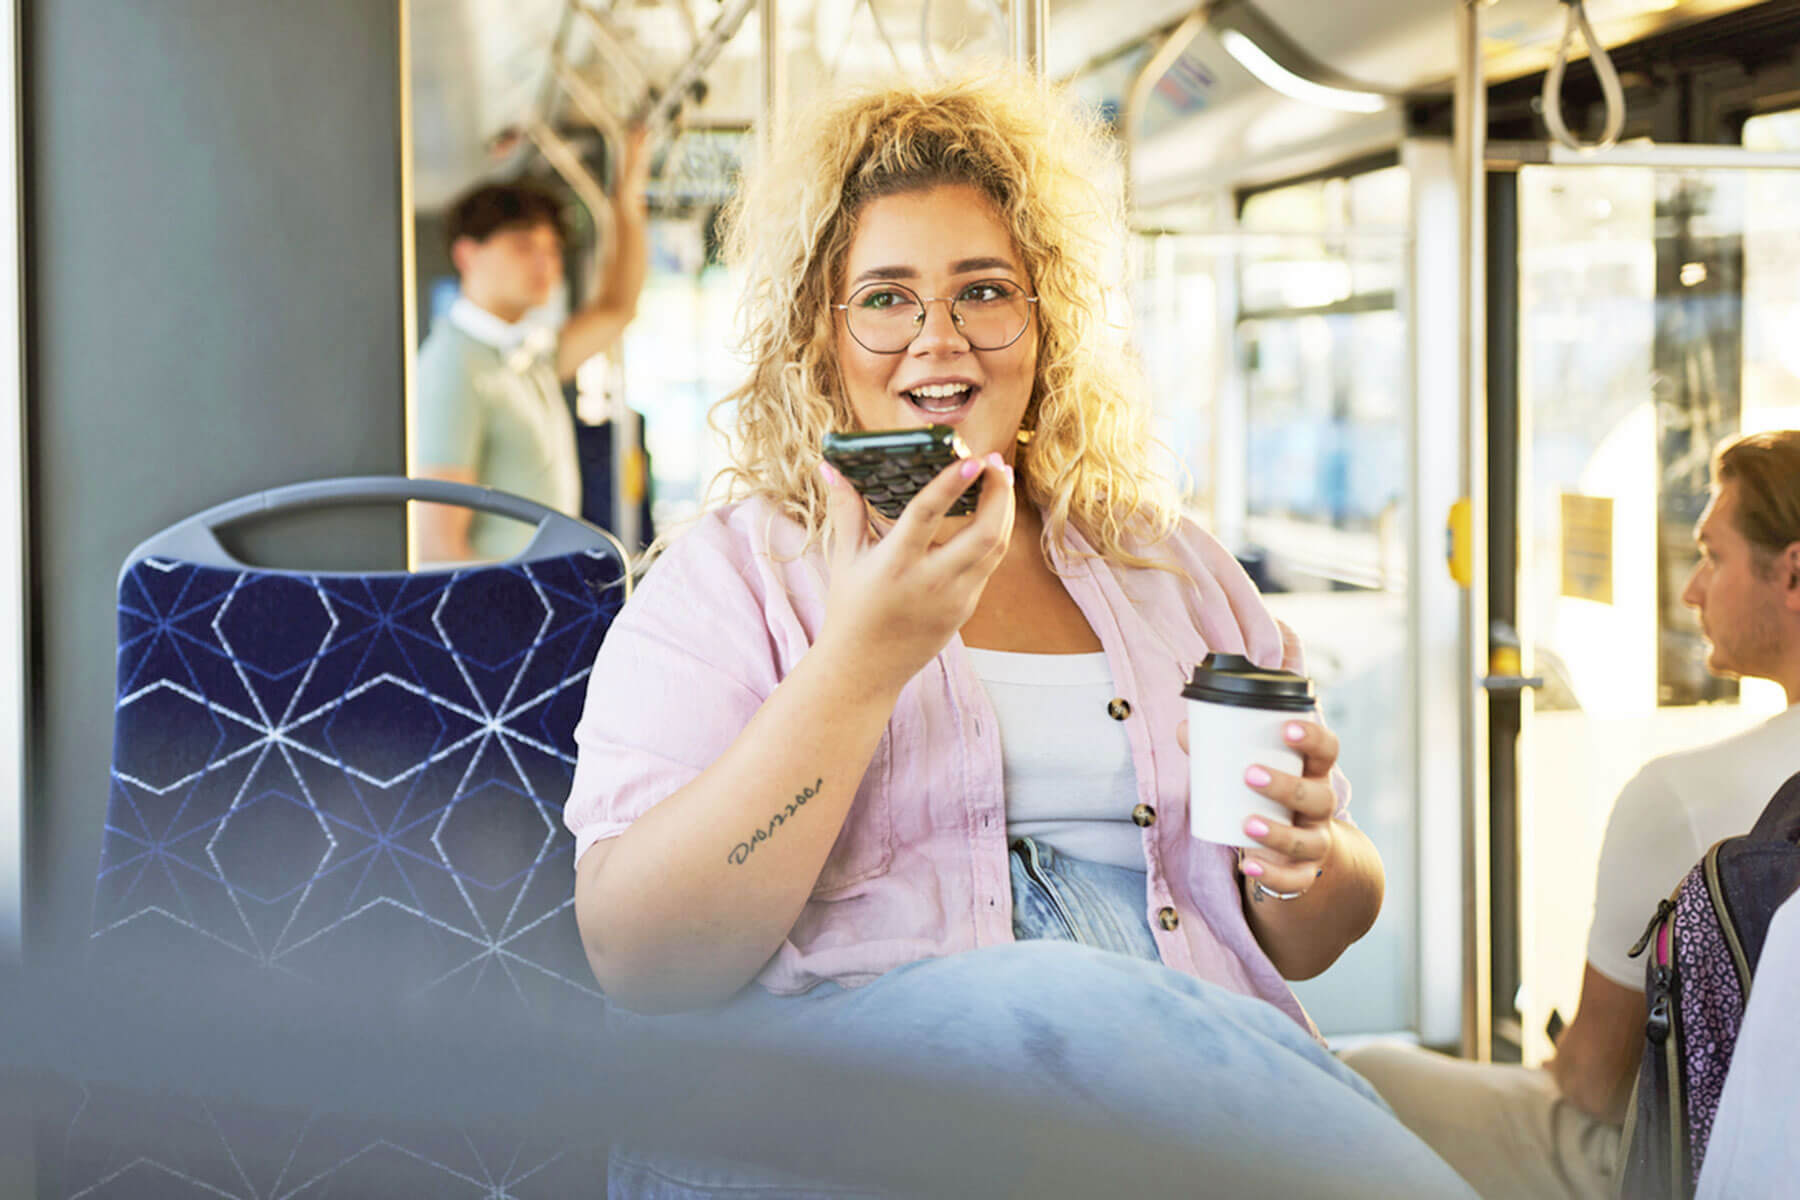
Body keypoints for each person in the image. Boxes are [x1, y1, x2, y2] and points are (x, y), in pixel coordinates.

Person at [563, 70, 1473, 1196]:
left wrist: (1311, 858)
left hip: (1173, 1104)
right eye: (887, 298)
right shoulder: (728, 580)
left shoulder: (1170, 569)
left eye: (984, 291)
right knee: (1059, 994)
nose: (938, 338)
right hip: (849, 1124)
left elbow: (1312, 933)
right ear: (821, 334)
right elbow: (641, 958)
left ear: (1047, 324)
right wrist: (860, 665)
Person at [1341, 428, 1800, 1200]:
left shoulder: (1680, 799)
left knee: (1360, 1077)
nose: (1691, 590)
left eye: (1712, 556)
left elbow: (1591, 1086)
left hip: (1673, 1169)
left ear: (1793, 574)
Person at [411, 129, 650, 563]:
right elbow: (437, 543)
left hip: (540, 606)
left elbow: (617, 309)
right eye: (524, 247)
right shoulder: (452, 367)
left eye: (552, 250)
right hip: (504, 618)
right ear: (467, 256)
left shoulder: (526, 356)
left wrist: (626, 198)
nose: (546, 264)